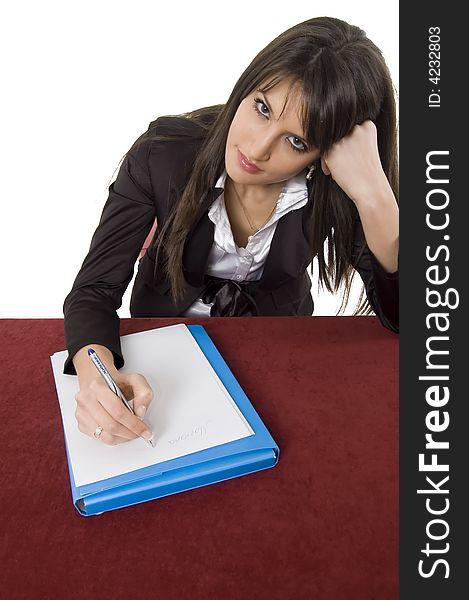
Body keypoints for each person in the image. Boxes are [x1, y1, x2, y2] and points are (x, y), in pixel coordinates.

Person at [63, 16, 399, 446]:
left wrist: (376, 196)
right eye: (262, 108)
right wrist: (96, 372)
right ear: (246, 85)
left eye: (296, 142)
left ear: (325, 154)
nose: (257, 149)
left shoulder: (337, 190)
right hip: (162, 341)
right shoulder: (161, 155)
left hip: (279, 350)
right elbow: (94, 289)